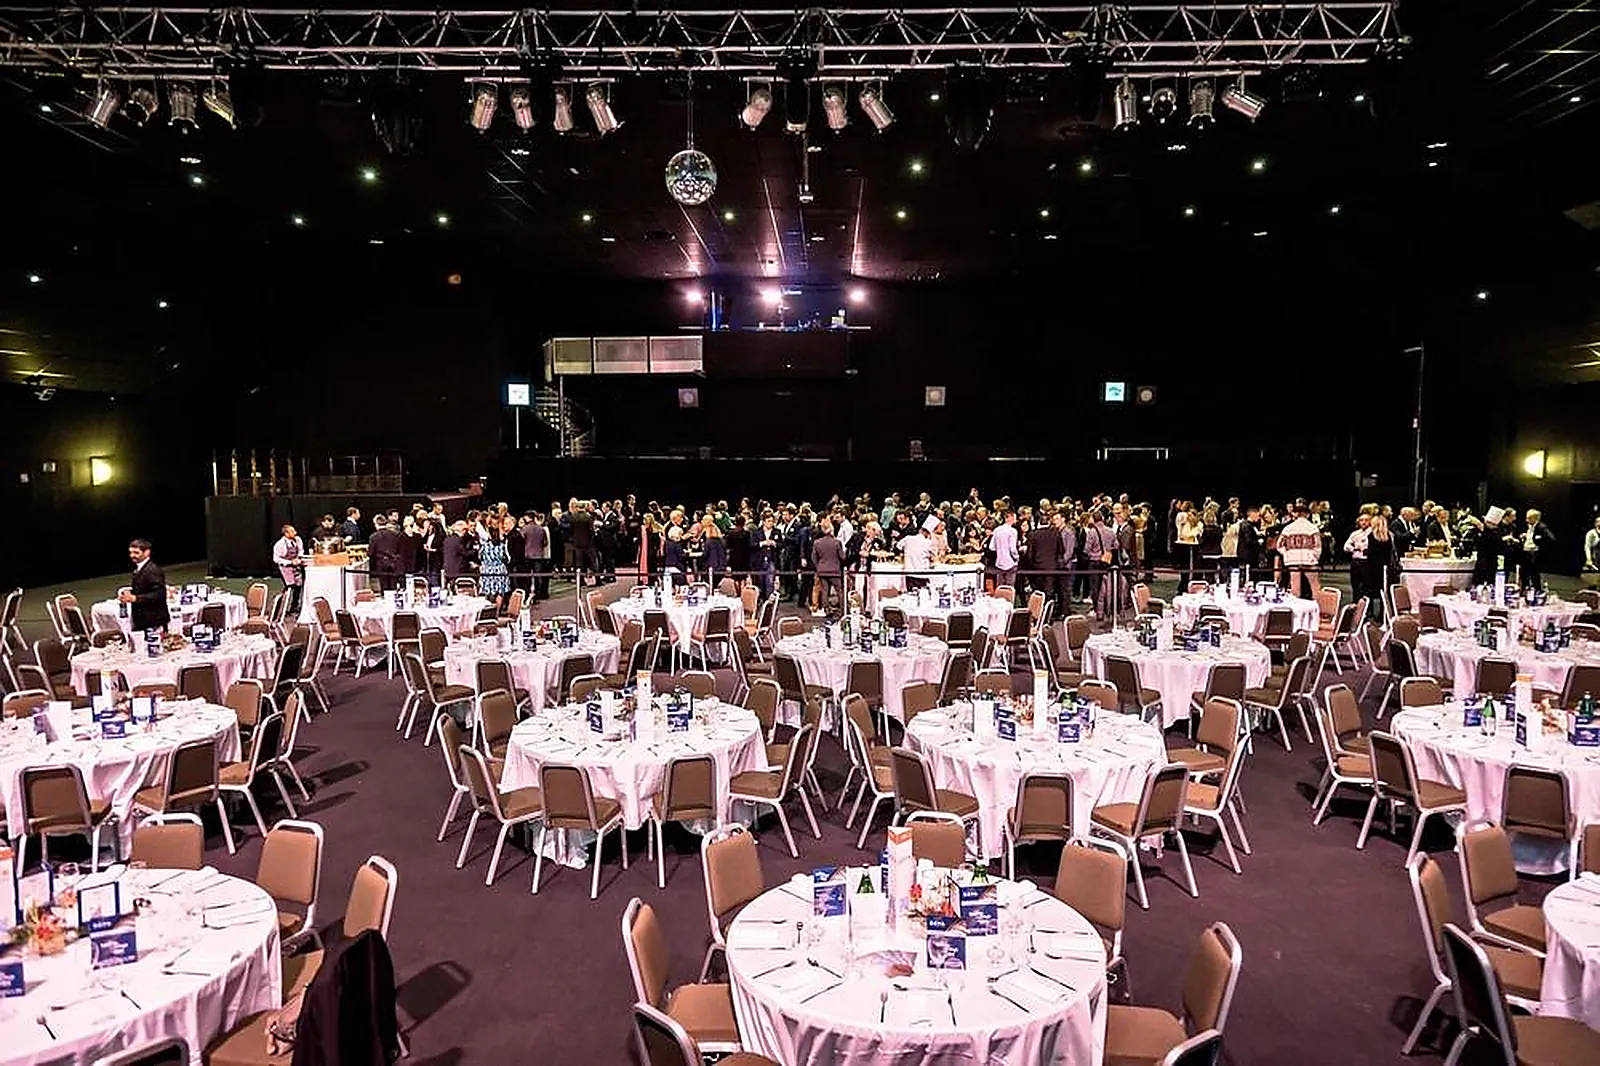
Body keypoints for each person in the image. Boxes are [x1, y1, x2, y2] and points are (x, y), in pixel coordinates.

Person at [120, 538, 170, 635]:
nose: (132, 556)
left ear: (147, 552)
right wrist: (130, 593)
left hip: (154, 620)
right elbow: (146, 589)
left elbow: (159, 594)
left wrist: (136, 598)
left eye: (136, 553)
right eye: (130, 553)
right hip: (144, 620)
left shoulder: (152, 570)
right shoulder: (140, 568)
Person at [1277, 503, 1323, 599]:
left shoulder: (1288, 528)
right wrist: (1314, 556)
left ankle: (1296, 612)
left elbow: (1279, 545)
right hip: (1309, 560)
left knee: (1295, 589)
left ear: (1295, 514)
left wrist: (1286, 554)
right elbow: (1318, 545)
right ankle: (1317, 610)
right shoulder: (1312, 527)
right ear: (1307, 514)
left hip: (1293, 560)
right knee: (1315, 588)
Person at [811, 517, 846, 617]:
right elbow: (842, 557)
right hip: (834, 570)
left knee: (825, 591)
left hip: (822, 570)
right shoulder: (837, 542)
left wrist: (819, 566)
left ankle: (826, 610)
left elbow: (813, 557)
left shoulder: (817, 542)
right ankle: (843, 610)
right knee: (839, 590)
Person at [1364, 514, 1394, 621]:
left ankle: (1369, 613)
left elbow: (1371, 552)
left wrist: (1364, 551)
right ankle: (1383, 614)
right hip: (1384, 567)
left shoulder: (1371, 536)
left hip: (1372, 567)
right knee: (1383, 591)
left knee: (1369, 591)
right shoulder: (1389, 536)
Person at [272, 524, 307, 612]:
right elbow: (276, 559)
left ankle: (294, 606)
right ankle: (281, 606)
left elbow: (300, 550)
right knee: (290, 586)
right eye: (292, 531)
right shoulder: (280, 544)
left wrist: (298, 558)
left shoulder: (298, 540)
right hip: (285, 568)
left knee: (298, 586)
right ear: (286, 534)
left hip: (296, 567)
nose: (295, 533)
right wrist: (290, 562)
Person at [1520, 508, 1556, 591]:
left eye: (1528, 518)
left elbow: (1551, 539)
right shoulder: (1530, 527)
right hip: (1526, 552)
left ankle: (1537, 592)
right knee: (1524, 575)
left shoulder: (1542, 527)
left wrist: (1538, 542)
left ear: (1534, 518)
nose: (1526, 520)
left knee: (1534, 575)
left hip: (1534, 553)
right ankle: (1523, 592)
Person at [901, 515, 939, 591]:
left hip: (909, 573)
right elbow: (934, 555)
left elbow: (898, 546)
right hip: (922, 573)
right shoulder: (928, 543)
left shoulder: (908, 538)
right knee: (922, 596)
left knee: (911, 595)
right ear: (928, 533)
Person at [477, 519, 509, 604]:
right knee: (499, 592)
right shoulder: (502, 545)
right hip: (500, 570)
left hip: (487, 570)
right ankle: (497, 612)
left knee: (487, 592)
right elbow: (507, 558)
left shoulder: (484, 546)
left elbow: (480, 557)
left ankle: (489, 612)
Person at [367, 516, 402, 592]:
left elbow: (370, 553)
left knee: (384, 586)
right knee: (393, 586)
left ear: (376, 524)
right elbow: (399, 549)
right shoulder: (395, 535)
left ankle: (386, 600)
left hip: (381, 563)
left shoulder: (373, 537)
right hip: (394, 562)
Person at [989, 510, 1019, 592]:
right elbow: (1012, 549)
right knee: (1009, 588)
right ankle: (1008, 604)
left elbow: (992, 547)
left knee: (1000, 588)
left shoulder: (997, 530)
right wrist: (1017, 558)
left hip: (999, 563)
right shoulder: (1013, 531)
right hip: (1011, 563)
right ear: (1010, 518)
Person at [754, 514, 780, 600]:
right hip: (760, 560)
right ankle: (760, 599)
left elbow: (782, 544)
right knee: (760, 581)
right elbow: (751, 545)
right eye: (769, 521)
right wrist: (762, 543)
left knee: (769, 581)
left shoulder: (777, 532)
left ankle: (769, 601)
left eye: (772, 521)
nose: (771, 523)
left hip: (771, 559)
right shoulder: (756, 532)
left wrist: (775, 544)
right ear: (763, 522)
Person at [524, 513, 550, 601]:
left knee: (527, 577)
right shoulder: (541, 529)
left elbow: (522, 541)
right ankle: (538, 594)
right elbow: (545, 543)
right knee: (538, 576)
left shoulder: (525, 529)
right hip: (539, 555)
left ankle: (527, 594)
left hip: (527, 555)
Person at [442, 520, 469, 586]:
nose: (465, 532)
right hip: (457, 571)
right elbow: (465, 553)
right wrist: (475, 550)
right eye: (464, 530)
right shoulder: (458, 540)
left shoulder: (446, 539)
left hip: (447, 569)